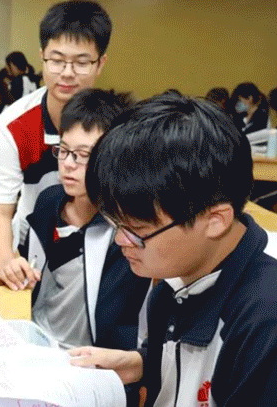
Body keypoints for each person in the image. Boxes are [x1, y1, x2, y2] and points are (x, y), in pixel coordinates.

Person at [69, 93, 277, 406]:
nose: (121, 240)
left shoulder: (263, 323)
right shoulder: (175, 284)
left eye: (138, 231)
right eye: (116, 224)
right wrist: (142, 363)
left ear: (216, 220)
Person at [0, 0, 112, 291]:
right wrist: (6, 259)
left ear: (101, 63)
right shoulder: (13, 125)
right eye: (56, 60)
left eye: (81, 62)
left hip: (101, 248)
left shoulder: (116, 126)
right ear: (42, 57)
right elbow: (0, 210)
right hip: (33, 245)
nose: (67, 72)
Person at [19, 88, 149, 353]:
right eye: (64, 150)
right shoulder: (48, 202)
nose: (68, 163)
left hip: (93, 359)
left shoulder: (126, 231)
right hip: (36, 338)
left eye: (83, 155)